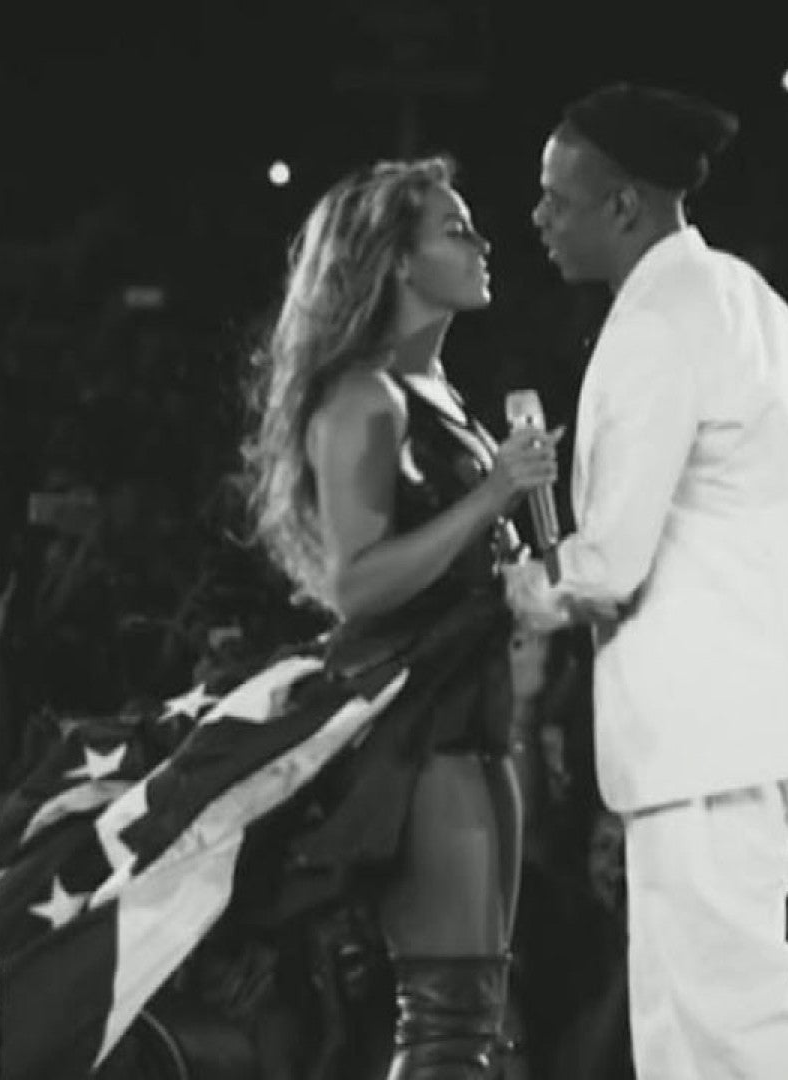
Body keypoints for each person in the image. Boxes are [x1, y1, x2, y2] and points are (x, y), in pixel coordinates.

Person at [504, 83, 788, 1078]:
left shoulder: (659, 322)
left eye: (558, 200)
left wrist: (514, 587)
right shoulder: (744, 298)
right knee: (681, 1019)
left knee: (728, 1011)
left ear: (624, 204)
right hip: (736, 725)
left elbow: (608, 566)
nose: (538, 218)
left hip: (705, 733)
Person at [232, 154, 561, 1077]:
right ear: (399, 262)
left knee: (476, 1018)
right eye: (457, 229)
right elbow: (357, 583)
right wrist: (491, 495)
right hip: (420, 732)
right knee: (445, 1023)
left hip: (480, 713)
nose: (483, 242)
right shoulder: (362, 397)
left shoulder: (444, 395)